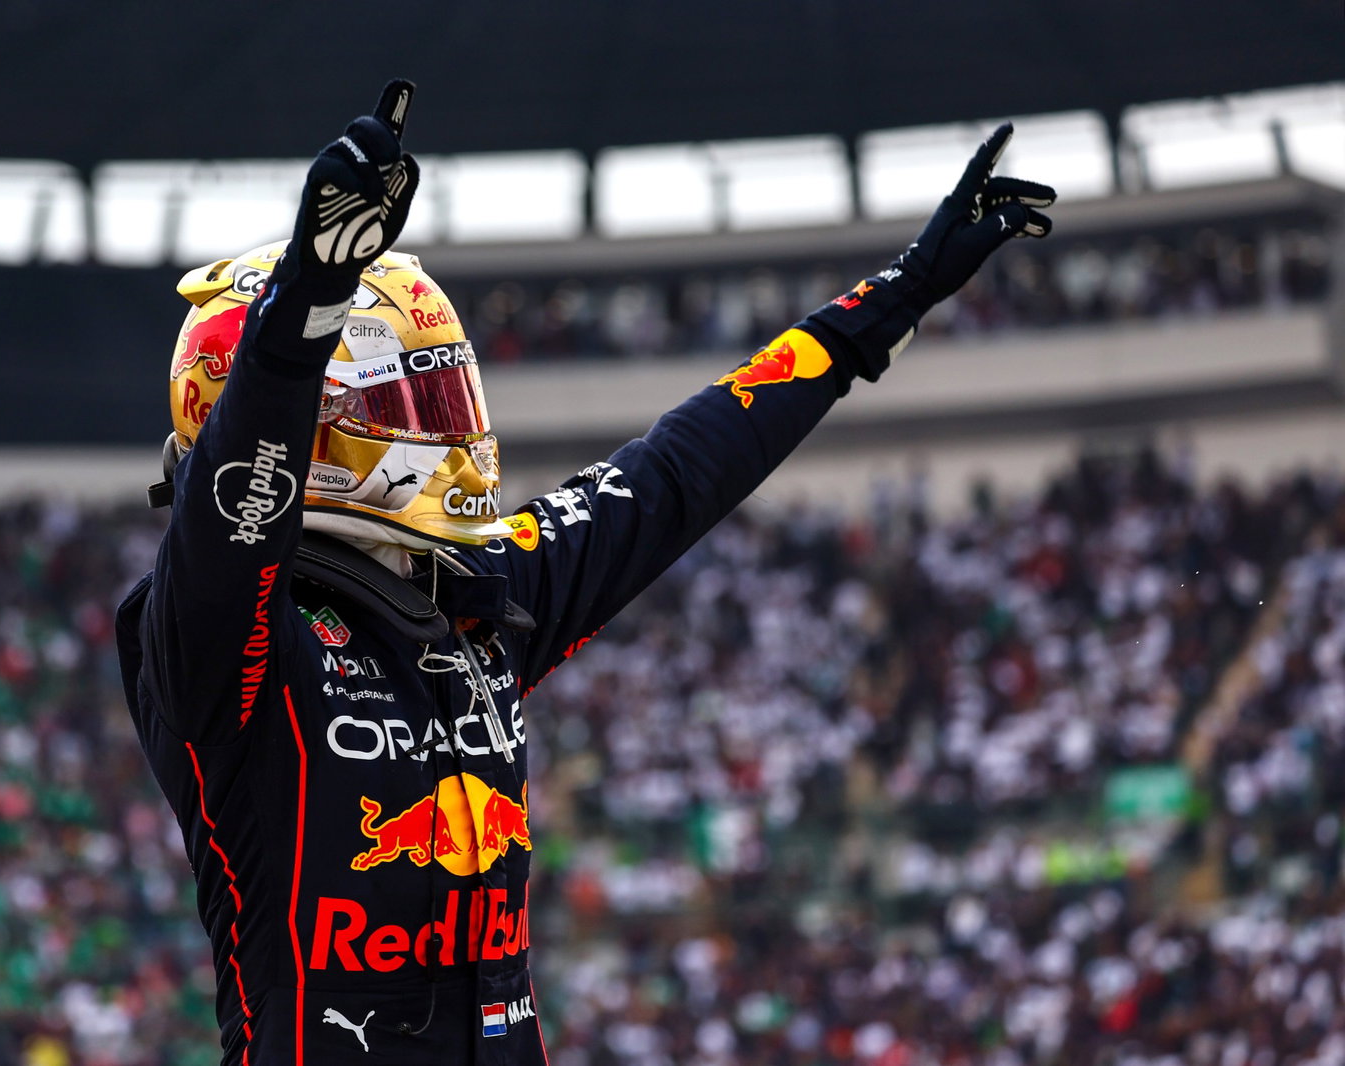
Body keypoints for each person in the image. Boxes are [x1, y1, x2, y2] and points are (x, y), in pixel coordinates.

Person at [115, 79, 1056, 1066]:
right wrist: (304, 300)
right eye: (407, 393)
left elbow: (678, 470)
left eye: (440, 389)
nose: (437, 419)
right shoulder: (206, 634)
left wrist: (894, 297)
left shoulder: (474, 601)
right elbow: (232, 522)